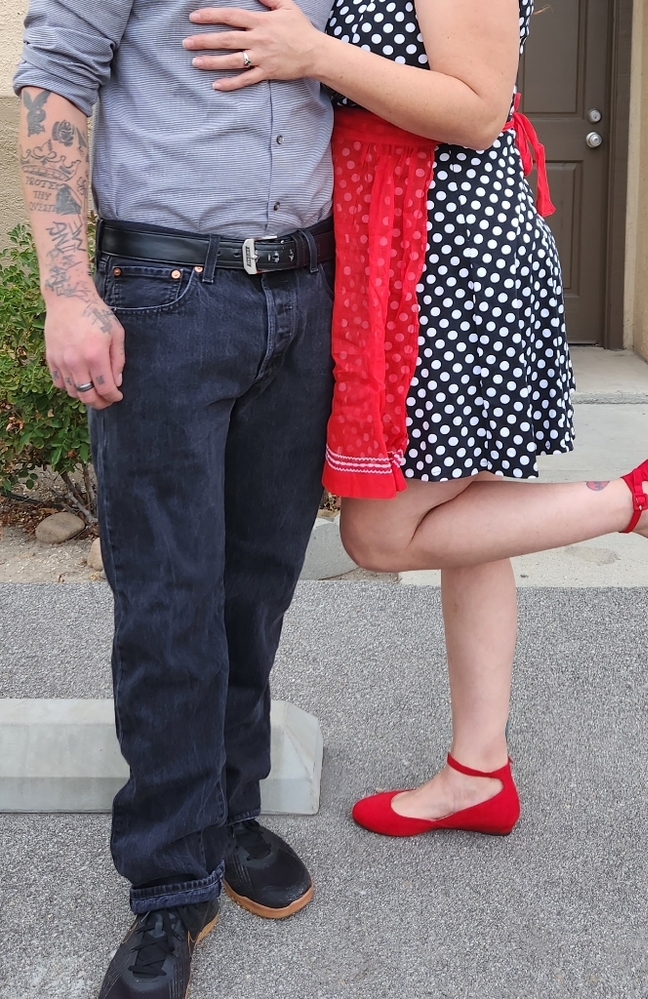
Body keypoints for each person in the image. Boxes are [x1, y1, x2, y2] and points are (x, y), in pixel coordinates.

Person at [185, 0, 648, 841]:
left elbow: (477, 110)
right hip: (407, 239)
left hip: (443, 253)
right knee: (466, 517)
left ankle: (634, 499)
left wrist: (313, 53)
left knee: (380, 535)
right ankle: (478, 770)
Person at [14, 2, 337, 997]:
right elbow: (55, 81)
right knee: (168, 604)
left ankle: (226, 811)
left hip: (304, 292)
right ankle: (168, 887)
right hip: (164, 294)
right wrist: (67, 293)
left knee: (254, 588)